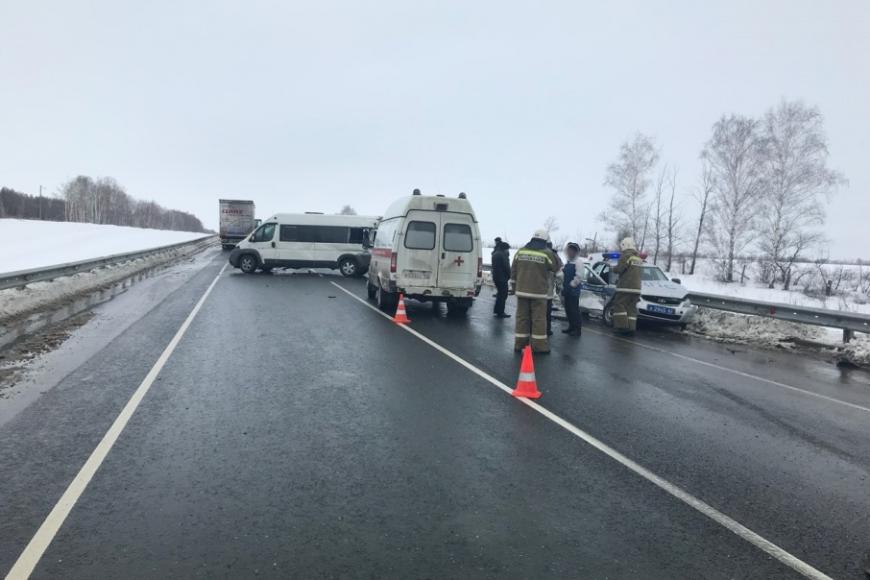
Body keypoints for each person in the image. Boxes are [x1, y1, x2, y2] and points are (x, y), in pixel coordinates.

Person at [510, 230, 561, 353]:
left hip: (521, 291)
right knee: (538, 319)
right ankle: (538, 346)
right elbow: (556, 267)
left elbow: (513, 271)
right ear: (545, 241)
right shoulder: (547, 253)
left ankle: (520, 344)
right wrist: (552, 252)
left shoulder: (520, 251)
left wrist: (514, 287)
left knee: (522, 318)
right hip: (538, 292)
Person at [611, 237, 643, 334]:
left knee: (619, 305)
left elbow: (620, 269)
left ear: (625, 245)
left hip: (625, 287)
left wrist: (613, 268)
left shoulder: (626, 256)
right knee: (631, 308)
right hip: (637, 289)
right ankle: (631, 329)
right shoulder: (639, 258)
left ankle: (622, 327)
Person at [561, 242, 584, 336]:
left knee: (574, 310)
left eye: (572, 251)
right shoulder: (569, 262)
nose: (570, 252)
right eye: (569, 250)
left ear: (576, 252)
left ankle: (577, 329)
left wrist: (572, 285)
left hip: (573, 290)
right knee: (568, 309)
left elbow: (579, 276)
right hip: (567, 289)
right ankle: (571, 326)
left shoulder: (578, 262)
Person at [491, 241, 511, 318]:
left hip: (496, 277)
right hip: (502, 278)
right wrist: (509, 275)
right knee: (503, 295)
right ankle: (500, 312)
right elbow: (506, 267)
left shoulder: (495, 254)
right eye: (507, 249)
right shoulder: (503, 255)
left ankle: (497, 310)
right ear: (505, 248)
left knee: (500, 295)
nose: (508, 250)